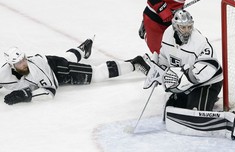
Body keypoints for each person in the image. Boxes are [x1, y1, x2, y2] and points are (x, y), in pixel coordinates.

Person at [135, 10, 235, 140]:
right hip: (185, 82)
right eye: (183, 27)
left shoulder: (199, 42)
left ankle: (233, 123)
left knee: (195, 114)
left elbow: (210, 67)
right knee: (169, 112)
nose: (187, 31)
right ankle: (202, 100)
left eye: (189, 27)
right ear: (175, 26)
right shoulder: (168, 34)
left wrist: (183, 78)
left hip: (207, 82)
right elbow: (164, 56)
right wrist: (160, 70)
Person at [0, 38, 142, 105]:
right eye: (19, 63)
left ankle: (135, 63)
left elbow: (49, 91)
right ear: (11, 65)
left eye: (23, 59)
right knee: (67, 57)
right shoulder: (3, 73)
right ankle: (83, 48)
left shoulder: (36, 69)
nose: (24, 63)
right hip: (48, 60)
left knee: (96, 74)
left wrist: (26, 95)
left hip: (56, 70)